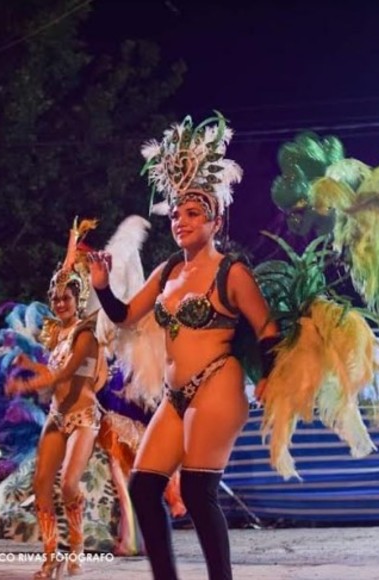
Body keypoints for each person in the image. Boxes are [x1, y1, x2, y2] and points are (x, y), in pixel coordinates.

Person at [88, 112, 278, 580]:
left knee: (196, 492)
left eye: (192, 213)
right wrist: (101, 285)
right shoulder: (169, 270)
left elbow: (267, 328)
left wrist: (271, 377)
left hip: (218, 382)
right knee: (143, 487)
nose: (181, 220)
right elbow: (125, 316)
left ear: (214, 220)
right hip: (176, 396)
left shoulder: (230, 271)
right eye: (176, 213)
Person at [6, 219, 107, 579]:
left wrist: (26, 383)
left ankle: (76, 549)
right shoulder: (59, 334)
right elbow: (64, 277)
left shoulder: (86, 334)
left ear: (77, 300)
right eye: (54, 298)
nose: (58, 302)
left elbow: (64, 375)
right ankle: (51, 555)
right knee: (41, 485)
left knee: (68, 485)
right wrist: (71, 243)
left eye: (65, 297)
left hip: (84, 418)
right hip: (57, 414)